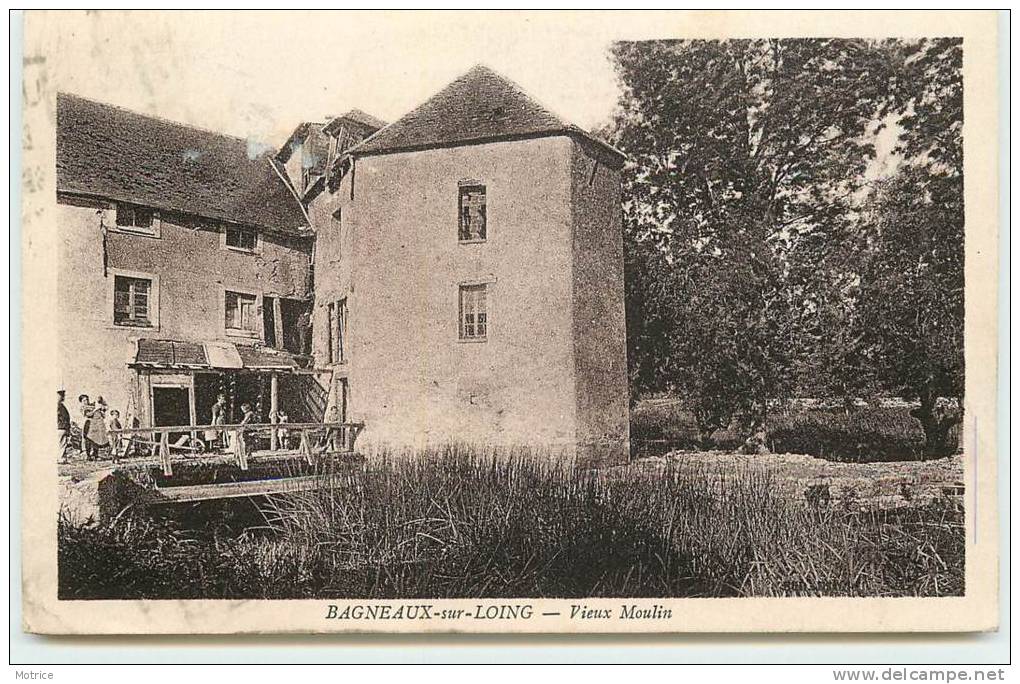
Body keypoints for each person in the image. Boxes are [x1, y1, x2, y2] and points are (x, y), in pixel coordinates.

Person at [78, 394, 93, 459]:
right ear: (81, 401)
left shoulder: (90, 407)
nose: (86, 401)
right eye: (84, 400)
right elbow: (88, 414)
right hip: (85, 423)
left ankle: (91, 453)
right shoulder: (82, 407)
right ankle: (85, 453)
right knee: (85, 438)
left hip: (92, 424)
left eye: (87, 400)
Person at [57, 390, 71, 462]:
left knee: (61, 443)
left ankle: (61, 458)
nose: (64, 397)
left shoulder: (60, 405)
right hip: (61, 427)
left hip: (61, 427)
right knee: (62, 443)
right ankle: (61, 458)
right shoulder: (59, 405)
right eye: (63, 396)